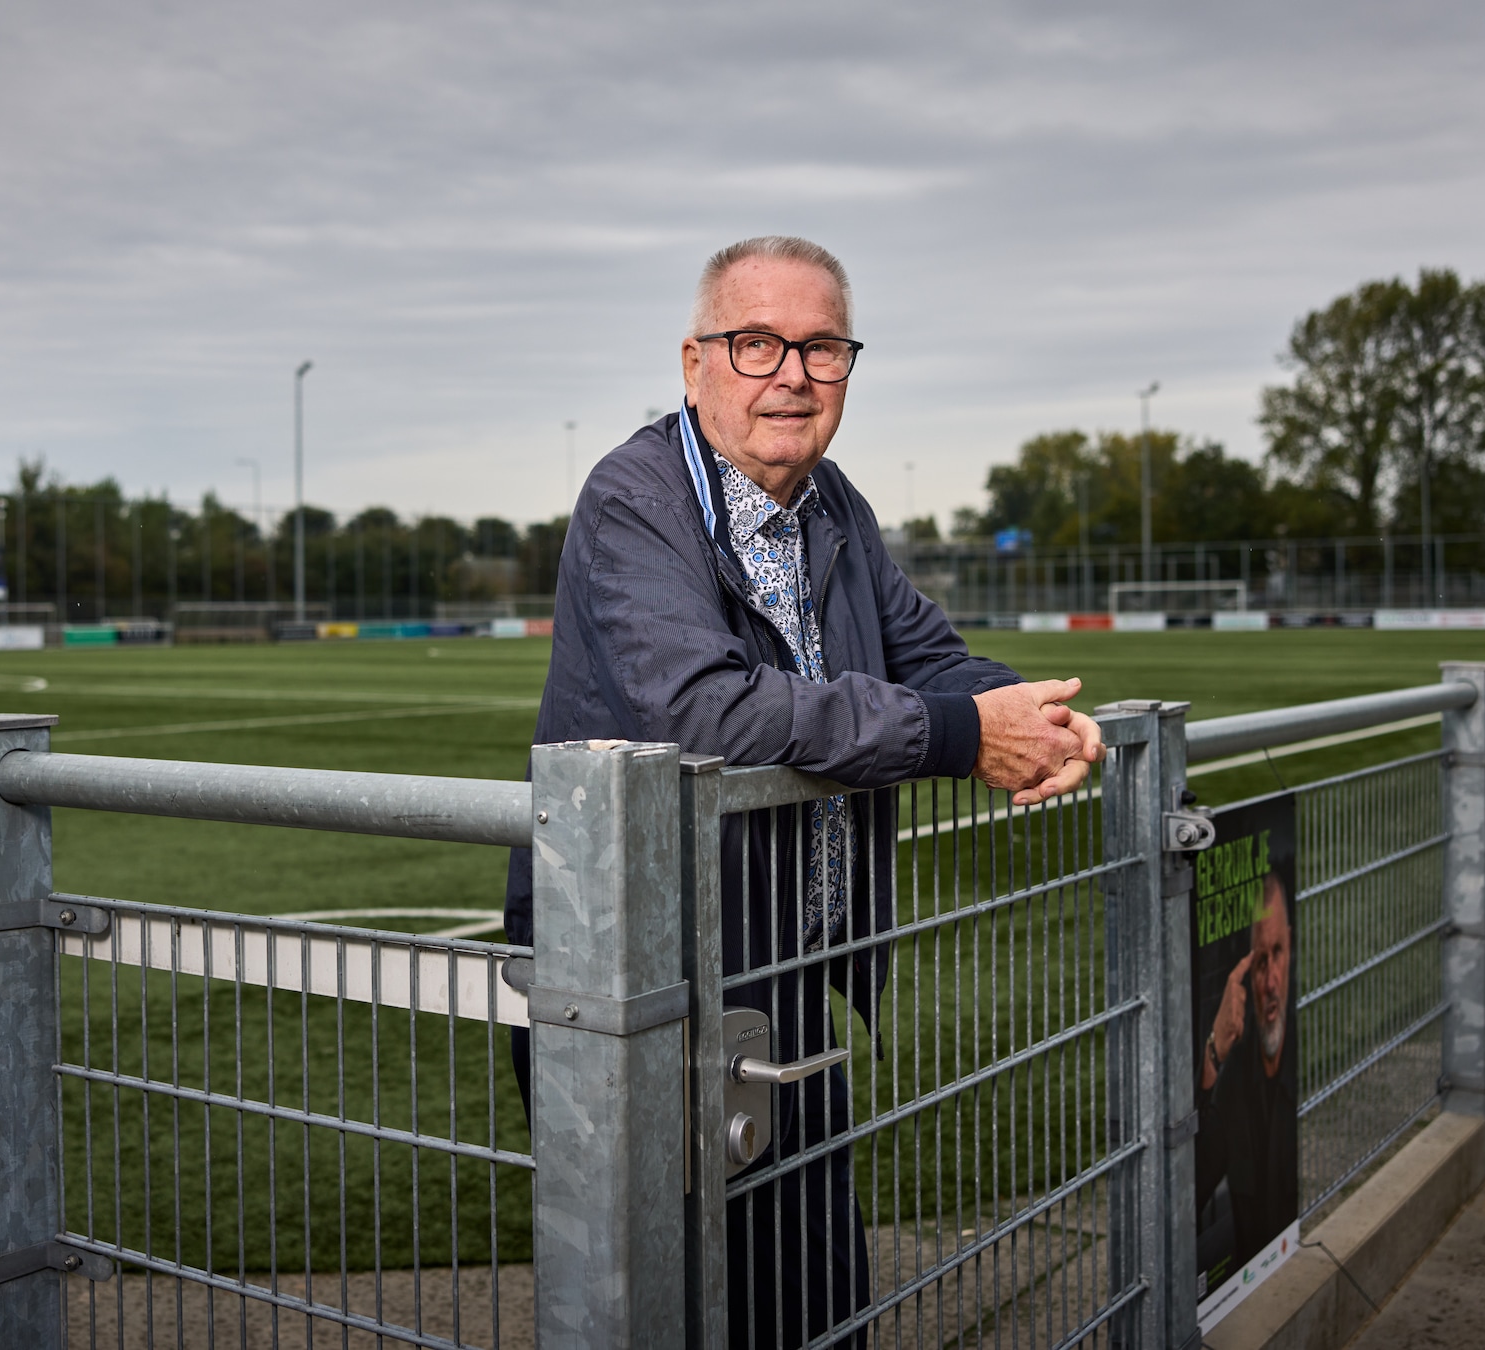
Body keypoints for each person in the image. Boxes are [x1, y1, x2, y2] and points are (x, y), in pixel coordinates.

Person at [503, 234, 1104, 1348]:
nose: (792, 372)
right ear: (696, 363)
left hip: (783, 970)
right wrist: (965, 732)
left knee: (814, 1296)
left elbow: (931, 654)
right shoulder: (637, 497)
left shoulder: (835, 506)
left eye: (822, 347)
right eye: (756, 342)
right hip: (646, 976)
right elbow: (710, 713)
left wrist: (1038, 714)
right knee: (671, 1298)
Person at [1196, 873, 1298, 1278]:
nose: (1271, 982)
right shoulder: (1234, 1082)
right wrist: (1213, 1055)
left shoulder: (1297, 1056)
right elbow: (1189, 1192)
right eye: (1259, 963)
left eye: (1278, 953)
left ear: (1291, 946)